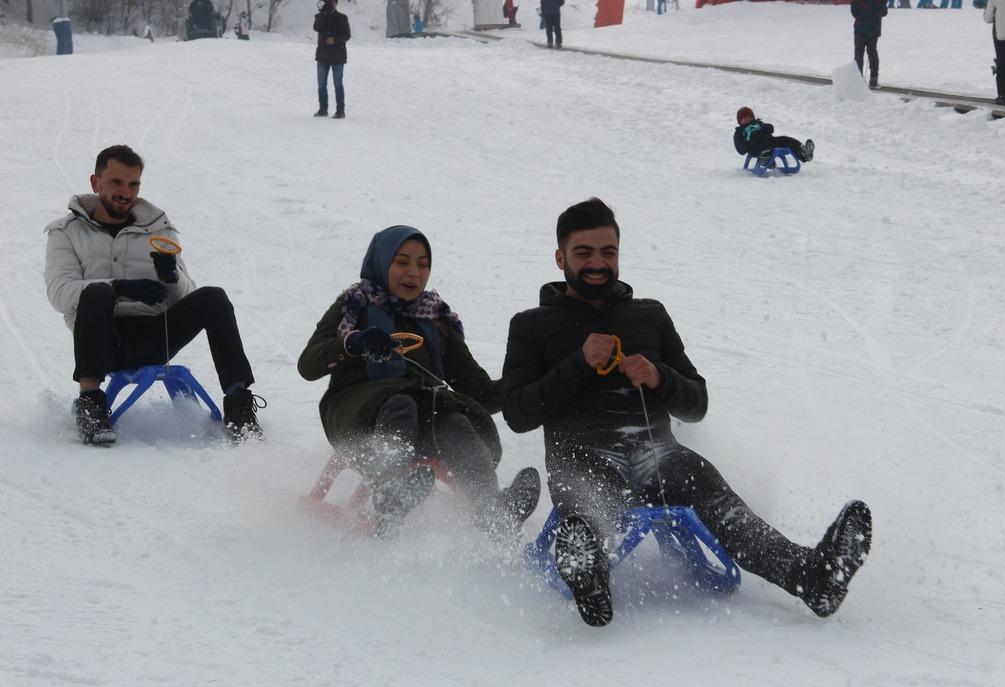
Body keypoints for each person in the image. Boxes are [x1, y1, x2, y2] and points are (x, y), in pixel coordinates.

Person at [500, 198, 873, 628]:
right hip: (580, 454)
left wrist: (659, 377)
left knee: (712, 492)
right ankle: (589, 570)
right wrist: (577, 363)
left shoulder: (649, 315)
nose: (597, 263)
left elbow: (697, 404)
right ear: (560, 257)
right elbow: (518, 413)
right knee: (590, 499)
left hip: (656, 453)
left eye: (608, 252)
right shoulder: (530, 325)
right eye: (584, 253)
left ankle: (812, 576)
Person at [298, 225, 541, 538]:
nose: (414, 272)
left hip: (424, 417)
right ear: (382, 262)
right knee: (399, 403)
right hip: (358, 417)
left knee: (456, 422)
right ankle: (390, 491)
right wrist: (353, 343)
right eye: (402, 262)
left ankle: (490, 508)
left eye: (422, 264)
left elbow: (477, 390)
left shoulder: (435, 319)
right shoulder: (355, 306)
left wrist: (520, 383)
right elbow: (309, 364)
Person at [44, 145, 264, 446]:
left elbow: (186, 295)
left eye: (133, 184)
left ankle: (238, 403)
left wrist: (171, 276)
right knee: (96, 291)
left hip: (155, 333)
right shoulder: (66, 232)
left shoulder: (158, 228)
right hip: (103, 340)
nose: (126, 192)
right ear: (96, 183)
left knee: (213, 297)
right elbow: (60, 293)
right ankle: (91, 403)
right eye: (116, 183)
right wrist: (118, 287)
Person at [733, 107, 815, 169]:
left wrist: (767, 127)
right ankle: (765, 159)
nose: (748, 119)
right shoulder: (739, 132)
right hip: (754, 146)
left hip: (770, 142)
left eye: (750, 117)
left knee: (785, 139)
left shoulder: (758, 123)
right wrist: (748, 141)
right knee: (757, 137)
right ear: (740, 121)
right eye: (745, 118)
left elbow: (770, 129)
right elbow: (740, 149)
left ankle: (803, 153)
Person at [313, 0, 351, 119]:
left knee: (338, 84)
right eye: (328, 2)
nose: (331, 4)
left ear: (336, 3)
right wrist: (324, 14)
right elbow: (316, 27)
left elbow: (347, 35)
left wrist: (335, 40)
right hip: (323, 55)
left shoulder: (342, 18)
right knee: (321, 84)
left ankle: (340, 110)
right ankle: (323, 109)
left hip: (338, 56)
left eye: (333, 2)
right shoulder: (320, 16)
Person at [851, 0, 888, 89]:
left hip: (860, 28)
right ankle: (874, 78)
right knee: (872, 53)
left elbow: (854, 12)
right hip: (874, 29)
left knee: (859, 55)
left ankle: (858, 79)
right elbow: (884, 12)